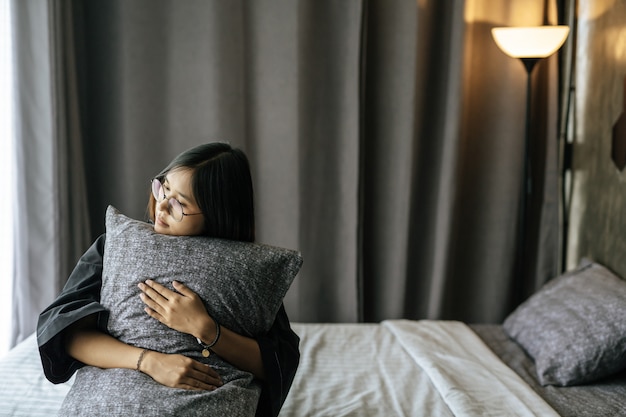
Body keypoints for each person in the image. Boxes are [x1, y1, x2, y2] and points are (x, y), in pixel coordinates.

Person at [37, 142, 300, 417]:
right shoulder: (115, 247)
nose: (161, 206)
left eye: (178, 204)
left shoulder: (246, 271)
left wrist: (206, 329)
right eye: (163, 187)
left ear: (217, 214)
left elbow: (276, 364)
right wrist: (150, 362)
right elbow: (65, 333)